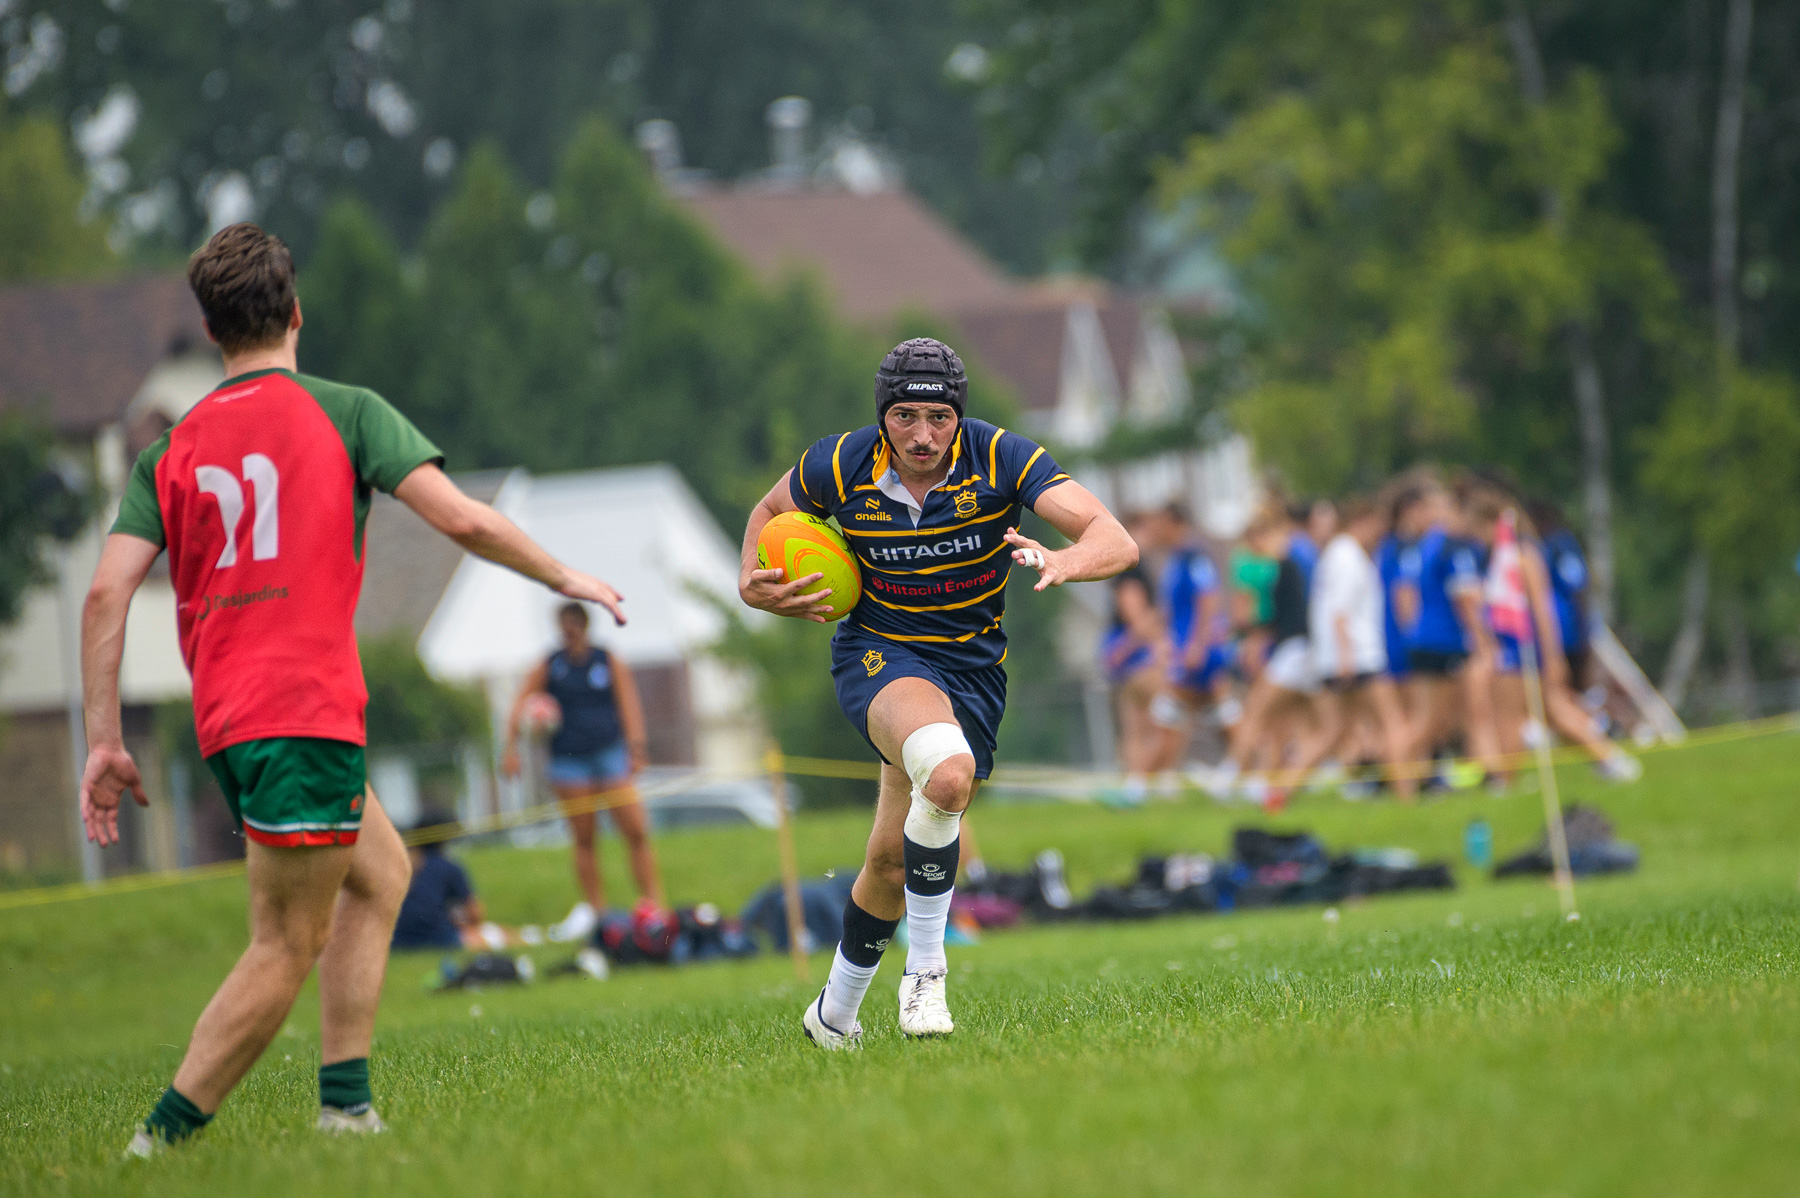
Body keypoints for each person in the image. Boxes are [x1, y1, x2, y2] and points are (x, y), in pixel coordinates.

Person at [80, 223, 624, 1155]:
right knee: (287, 941)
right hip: (304, 712)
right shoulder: (348, 411)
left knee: (381, 875)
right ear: (297, 314)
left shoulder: (169, 452)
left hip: (230, 722)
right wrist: (563, 576)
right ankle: (158, 1143)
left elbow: (104, 592)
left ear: (214, 334)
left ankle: (346, 1107)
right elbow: (460, 518)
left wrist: (104, 738)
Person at [738, 337, 1135, 1048]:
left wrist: (1070, 559)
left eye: (939, 418)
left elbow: (1115, 537)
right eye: (906, 416)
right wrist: (751, 581)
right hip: (878, 654)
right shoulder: (841, 462)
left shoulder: (1003, 457)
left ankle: (832, 1018)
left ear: (960, 417)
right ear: (883, 417)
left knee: (892, 860)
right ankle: (926, 974)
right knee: (948, 777)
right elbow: (767, 513)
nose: (923, 435)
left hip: (973, 674)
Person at [501, 602, 663, 940]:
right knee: (584, 838)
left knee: (635, 830)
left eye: (575, 623)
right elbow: (520, 702)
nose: (569, 630)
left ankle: (654, 905)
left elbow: (628, 701)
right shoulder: (551, 664)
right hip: (568, 761)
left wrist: (636, 747)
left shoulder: (607, 659)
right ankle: (598, 913)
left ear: (585, 625)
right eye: (564, 624)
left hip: (609, 753)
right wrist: (511, 749)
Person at [1462, 490, 1640, 783]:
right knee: (1551, 712)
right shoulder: (1495, 558)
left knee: (1523, 715)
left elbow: (1543, 612)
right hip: (1511, 648)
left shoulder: (1523, 554)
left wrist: (1553, 656)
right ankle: (1608, 760)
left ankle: (1507, 780)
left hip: (1525, 650)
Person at [1288, 496, 1417, 800]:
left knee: (1331, 733)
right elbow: (1340, 612)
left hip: (1341, 656)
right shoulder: (1347, 555)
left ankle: (1280, 791)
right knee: (1393, 723)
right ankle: (1406, 795)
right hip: (1358, 656)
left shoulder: (1338, 553)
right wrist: (1346, 657)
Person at [1205, 511, 1315, 807]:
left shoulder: (1287, 564)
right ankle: (1267, 780)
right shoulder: (1284, 564)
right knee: (1279, 719)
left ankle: (1234, 778)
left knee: (1259, 713)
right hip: (1290, 649)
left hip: (1294, 652)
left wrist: (1248, 639)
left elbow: (1254, 615)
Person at [1405, 484, 1500, 781]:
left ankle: (1419, 779)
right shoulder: (1453, 546)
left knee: (1441, 720)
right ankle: (1397, 773)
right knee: (1432, 722)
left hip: (1428, 640)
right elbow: (1466, 600)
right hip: (1443, 642)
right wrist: (1485, 642)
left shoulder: (1430, 543)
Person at [391, 811, 530, 952]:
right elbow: (476, 914)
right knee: (493, 936)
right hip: (436, 937)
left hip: (397, 938)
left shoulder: (405, 866)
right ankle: (529, 939)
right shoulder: (450, 868)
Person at [1099, 560, 1168, 803]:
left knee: (1143, 730)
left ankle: (1140, 783)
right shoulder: (1132, 586)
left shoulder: (1128, 584)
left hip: (1136, 669)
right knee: (1144, 729)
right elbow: (1140, 627)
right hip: (1138, 670)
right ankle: (1141, 783)